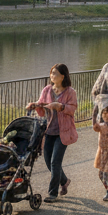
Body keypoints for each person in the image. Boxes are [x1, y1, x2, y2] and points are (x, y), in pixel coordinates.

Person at [28, 63, 78, 201]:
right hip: (49, 130)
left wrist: (61, 106)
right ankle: (64, 181)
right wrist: (34, 105)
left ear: (62, 76)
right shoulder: (47, 90)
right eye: (51, 73)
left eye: (55, 73)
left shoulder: (70, 92)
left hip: (63, 132)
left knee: (55, 162)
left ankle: (52, 193)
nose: (52, 76)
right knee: (48, 162)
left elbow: (72, 109)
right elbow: (41, 107)